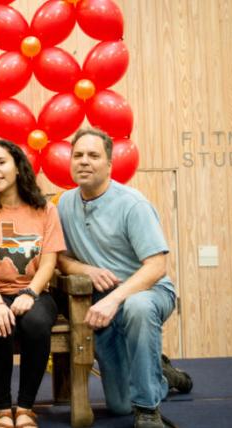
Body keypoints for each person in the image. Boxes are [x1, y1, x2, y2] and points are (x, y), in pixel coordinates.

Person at [56, 128, 192, 428]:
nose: (84, 161)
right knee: (118, 406)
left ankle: (148, 411)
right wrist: (86, 270)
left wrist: (117, 298)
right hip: (101, 306)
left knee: (138, 308)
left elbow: (157, 266)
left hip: (149, 293)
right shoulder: (64, 203)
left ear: (109, 164)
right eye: (78, 155)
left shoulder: (133, 203)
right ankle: (160, 371)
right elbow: (61, 259)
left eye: (93, 155)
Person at [0, 140, 65, 428]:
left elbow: (49, 262)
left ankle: (24, 408)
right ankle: (1, 409)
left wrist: (30, 292)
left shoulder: (45, 209)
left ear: (18, 167)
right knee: (0, 324)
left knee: (35, 323)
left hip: (33, 291)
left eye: (1, 162)